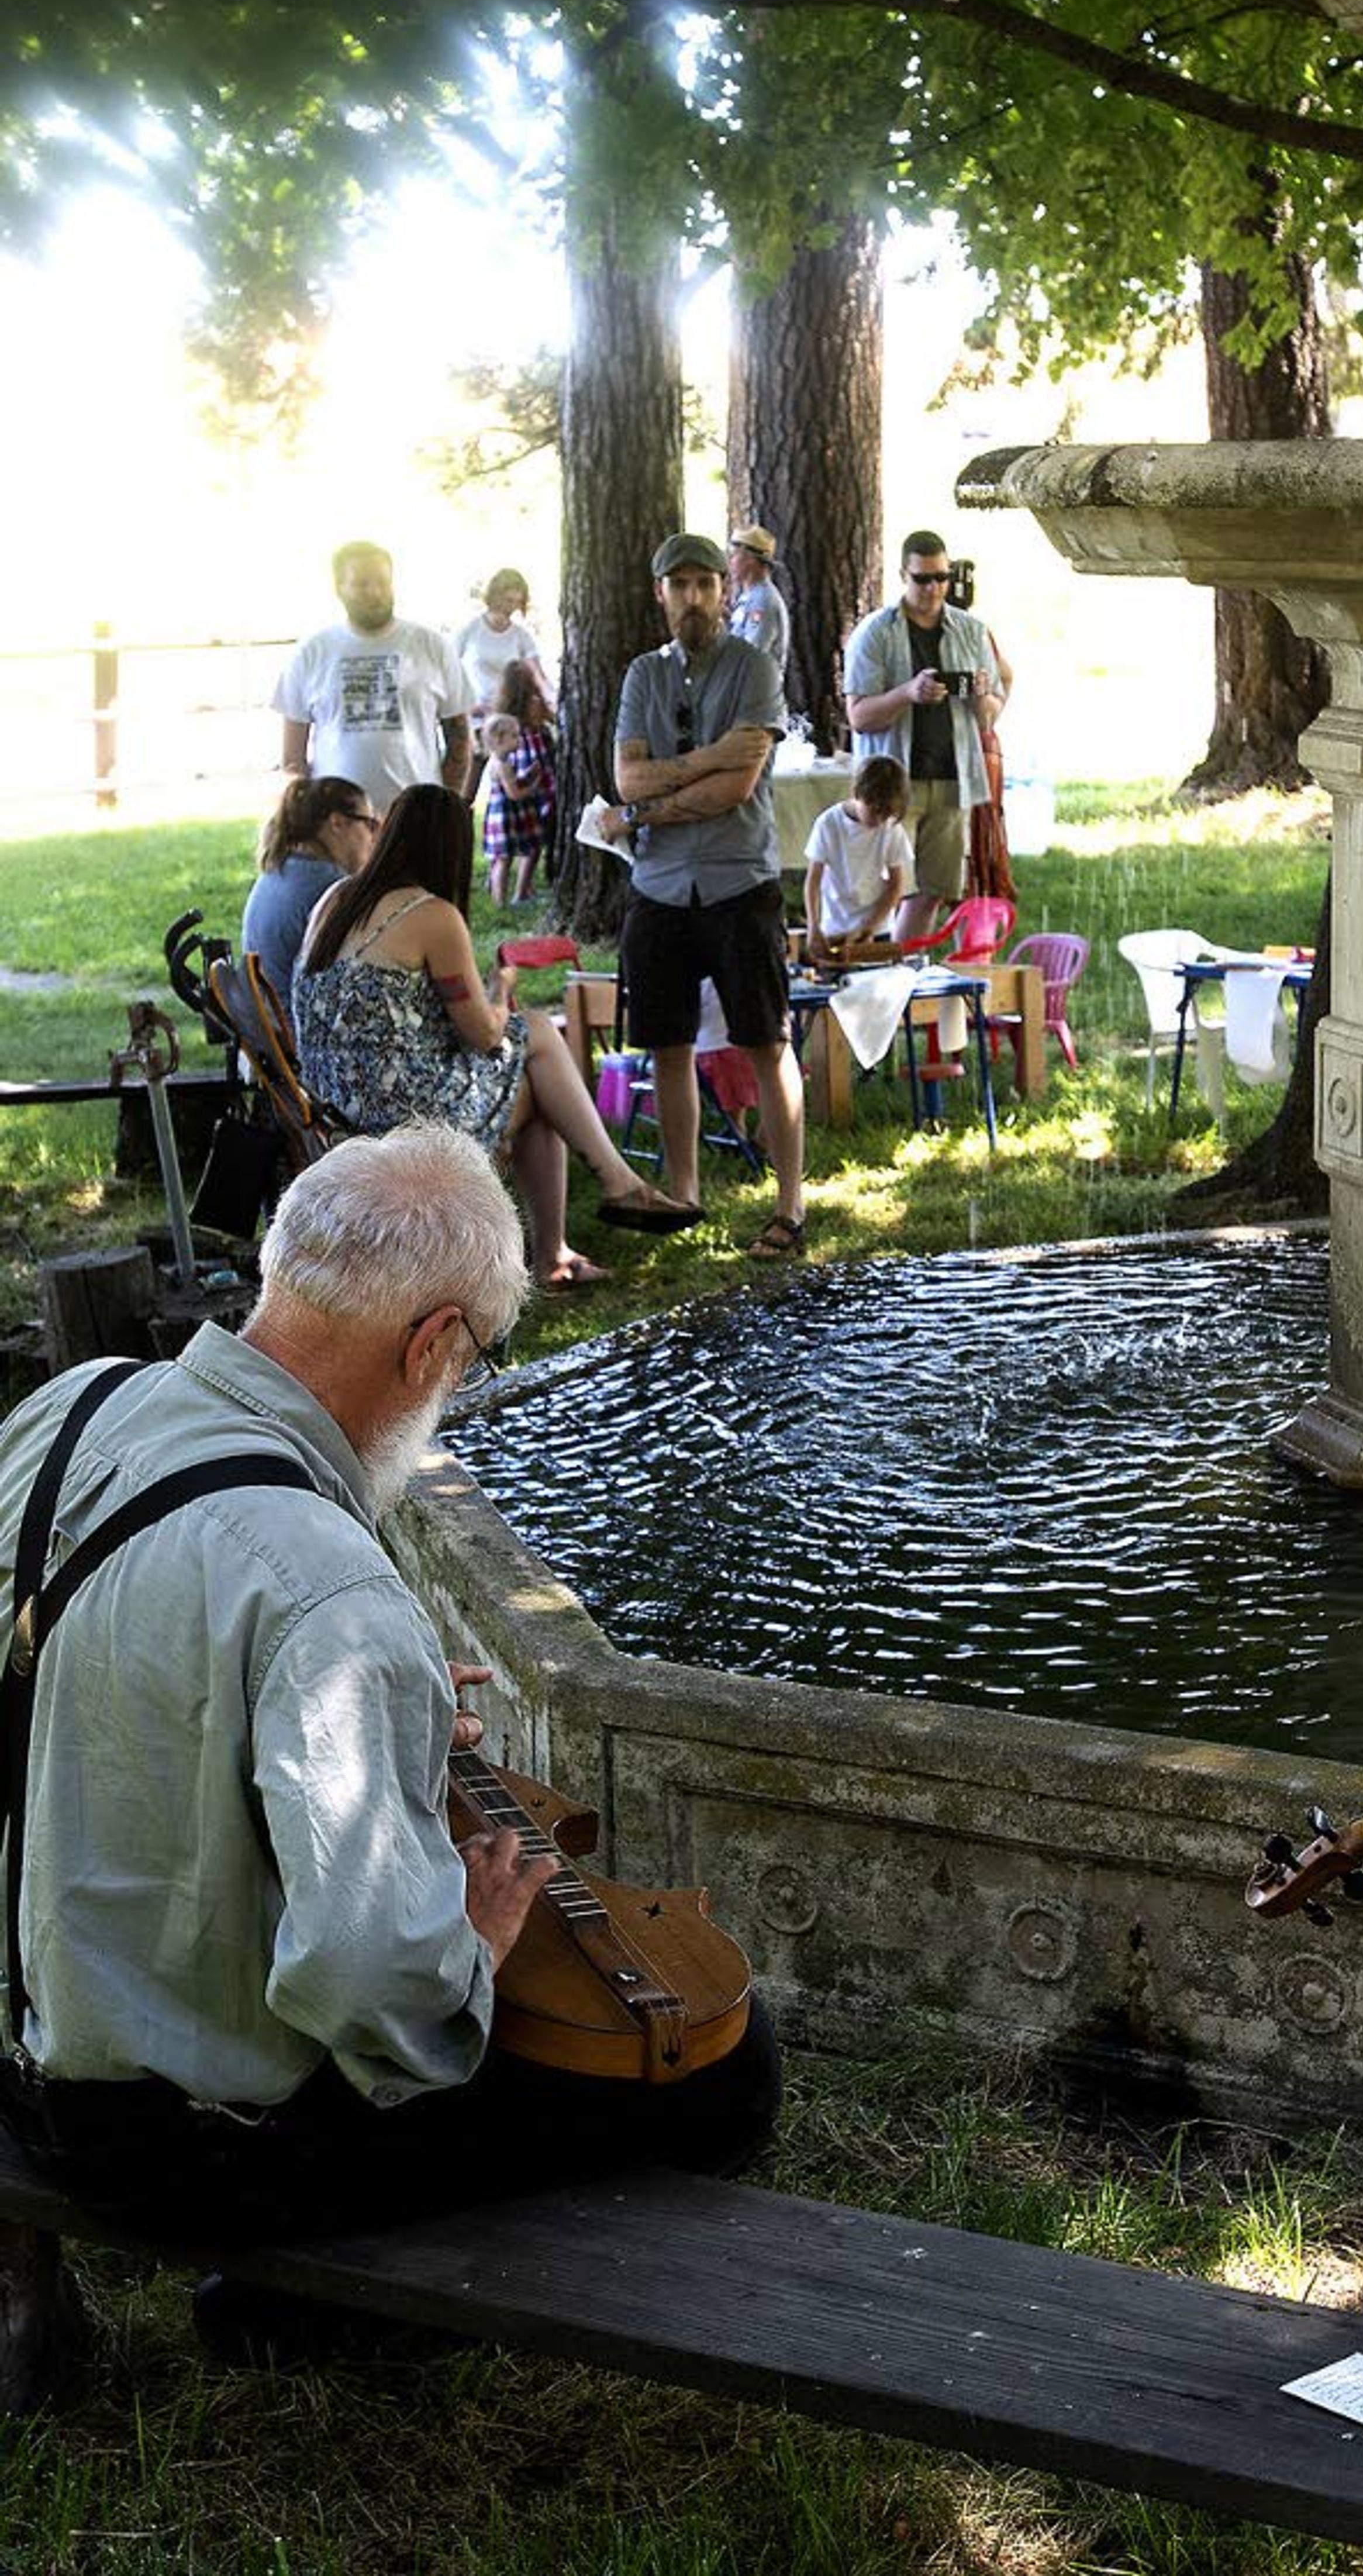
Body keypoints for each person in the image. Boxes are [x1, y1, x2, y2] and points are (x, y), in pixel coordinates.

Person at [0, 1124, 781, 2343]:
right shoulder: (328, 1594)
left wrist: (355, 1696)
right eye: (472, 1358)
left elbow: (94, 1681)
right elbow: (374, 1992)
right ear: (432, 1344)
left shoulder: (73, 1404)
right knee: (727, 2071)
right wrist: (460, 1946)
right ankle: (297, 2311)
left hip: (15, 2024)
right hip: (154, 2133)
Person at [295, 785, 699, 1287]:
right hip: (402, 1116)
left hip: (334, 1106)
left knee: (536, 1082)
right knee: (534, 1034)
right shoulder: (431, 914)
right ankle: (606, 1195)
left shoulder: (335, 900)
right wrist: (501, 989)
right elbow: (486, 1035)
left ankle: (566, 1242)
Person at [602, 531, 807, 1257]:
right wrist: (698, 769)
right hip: (659, 887)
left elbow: (739, 785)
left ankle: (790, 1206)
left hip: (737, 881)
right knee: (668, 1046)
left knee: (764, 1041)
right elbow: (627, 781)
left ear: (725, 590)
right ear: (660, 595)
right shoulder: (641, 677)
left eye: (705, 584)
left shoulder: (753, 667)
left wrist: (657, 793)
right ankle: (684, 1196)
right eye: (678, 585)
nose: (692, 598)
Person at [844, 530, 1012, 939]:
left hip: (954, 780)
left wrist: (978, 697)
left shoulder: (971, 631)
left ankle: (903, 977)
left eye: (942, 577)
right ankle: (870, 975)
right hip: (894, 782)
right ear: (904, 575)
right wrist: (908, 693)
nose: (934, 588)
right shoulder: (876, 633)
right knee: (885, 889)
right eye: (923, 579)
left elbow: (991, 713)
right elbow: (859, 716)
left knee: (934, 891)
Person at [275, 542, 474, 811]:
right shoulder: (311, 653)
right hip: (337, 826)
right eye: (361, 584)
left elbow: (460, 741)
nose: (375, 592)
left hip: (415, 819)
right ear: (339, 589)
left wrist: (446, 809)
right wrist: (306, 820)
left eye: (383, 582)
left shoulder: (432, 647)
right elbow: (292, 759)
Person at [240, 775, 382, 1019]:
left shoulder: (280, 869)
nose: (375, 837)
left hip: (268, 1033)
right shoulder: (330, 888)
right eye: (369, 824)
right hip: (299, 1039)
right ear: (337, 823)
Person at [803, 756, 913, 959]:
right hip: (835, 928)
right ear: (857, 793)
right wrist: (814, 926)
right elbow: (813, 881)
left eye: (887, 815)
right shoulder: (829, 824)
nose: (880, 820)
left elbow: (896, 887)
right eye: (875, 811)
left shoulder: (891, 830)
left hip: (877, 929)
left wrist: (869, 928)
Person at [478, 660, 557, 906]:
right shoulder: (535, 705)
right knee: (531, 840)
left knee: (508, 850)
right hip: (529, 780)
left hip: (520, 772)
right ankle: (520, 891)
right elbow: (553, 718)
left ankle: (505, 888)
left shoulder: (502, 715)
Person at [454, 565, 555, 724]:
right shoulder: (469, 631)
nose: (512, 608)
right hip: (478, 718)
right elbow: (448, 672)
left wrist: (552, 701)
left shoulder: (521, 637)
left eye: (517, 603)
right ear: (495, 597)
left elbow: (538, 676)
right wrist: (466, 708)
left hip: (511, 720)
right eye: (508, 601)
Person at [726, 525, 791, 683]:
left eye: (734, 555)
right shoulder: (750, 597)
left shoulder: (762, 601)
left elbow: (751, 655)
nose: (730, 562)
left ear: (750, 560)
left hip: (756, 698)